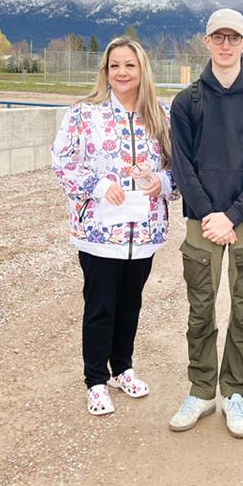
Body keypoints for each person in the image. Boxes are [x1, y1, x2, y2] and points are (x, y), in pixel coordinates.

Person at [170, 8, 243, 438]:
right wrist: (210, 216)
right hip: (202, 219)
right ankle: (201, 391)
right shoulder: (188, 102)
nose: (225, 44)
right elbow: (183, 165)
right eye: (218, 37)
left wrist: (233, 215)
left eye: (233, 38)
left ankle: (235, 392)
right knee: (200, 309)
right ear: (207, 42)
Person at [52, 37, 178, 416]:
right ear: (105, 71)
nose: (121, 72)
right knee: (101, 307)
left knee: (130, 305)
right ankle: (95, 380)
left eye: (129, 65)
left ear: (142, 70)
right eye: (114, 66)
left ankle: (122, 368)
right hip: (100, 234)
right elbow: (62, 162)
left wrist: (163, 183)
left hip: (142, 232)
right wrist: (100, 185)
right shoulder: (83, 113)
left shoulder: (161, 115)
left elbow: (178, 167)